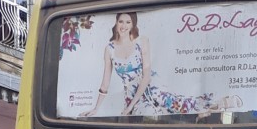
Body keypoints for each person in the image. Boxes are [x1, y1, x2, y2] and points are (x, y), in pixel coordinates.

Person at [81, 12, 242, 118]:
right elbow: (105, 82)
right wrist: (96, 108)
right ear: (116, 23)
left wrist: (130, 106)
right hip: (130, 94)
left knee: (175, 103)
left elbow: (146, 75)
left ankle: (219, 103)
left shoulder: (141, 42)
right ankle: (204, 111)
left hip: (151, 86)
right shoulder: (109, 49)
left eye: (128, 22)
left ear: (133, 25)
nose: (123, 25)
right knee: (150, 116)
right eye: (121, 21)